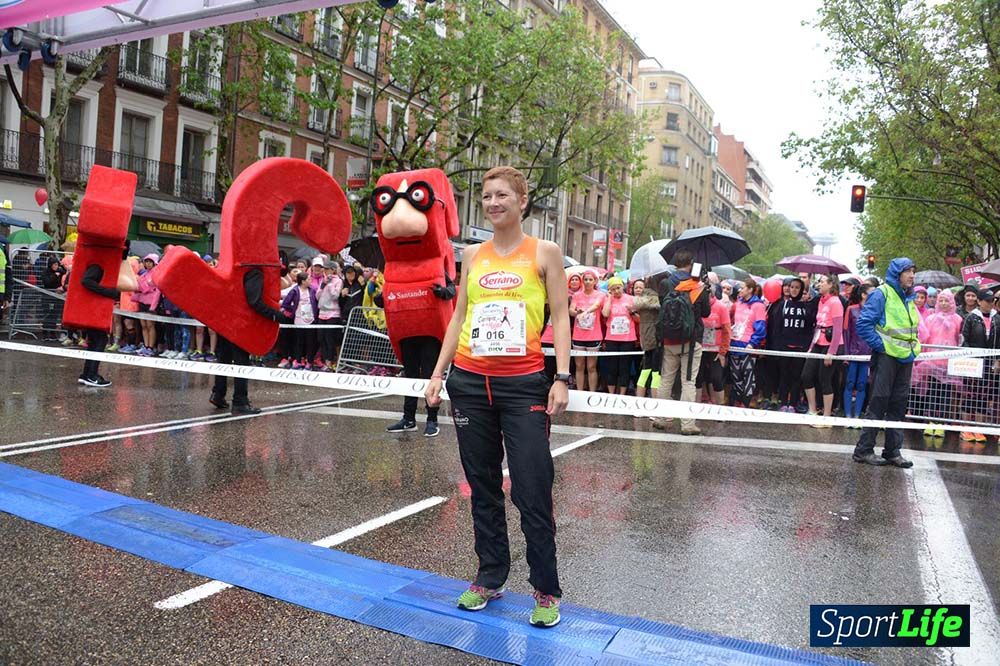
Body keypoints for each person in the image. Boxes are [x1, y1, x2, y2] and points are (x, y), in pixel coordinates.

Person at [425, 166, 570, 628]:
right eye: (487, 196)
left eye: (502, 195)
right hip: (469, 381)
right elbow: (458, 316)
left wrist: (562, 376)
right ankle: (490, 575)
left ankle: (546, 589)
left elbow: (562, 317)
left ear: (522, 201)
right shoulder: (472, 254)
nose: (493, 203)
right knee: (481, 485)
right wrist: (438, 373)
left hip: (523, 383)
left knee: (531, 487)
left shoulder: (545, 252)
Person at [852, 258, 920, 467]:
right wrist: (881, 347)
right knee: (879, 401)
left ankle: (892, 451)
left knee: (899, 403)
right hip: (887, 357)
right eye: (907, 271)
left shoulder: (908, 298)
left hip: (904, 357)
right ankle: (863, 450)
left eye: (912, 271)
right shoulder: (882, 293)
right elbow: (863, 324)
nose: (911, 275)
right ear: (897, 274)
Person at [655, 249, 710, 434]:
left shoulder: (664, 283)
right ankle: (687, 424)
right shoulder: (697, 286)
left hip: (669, 339)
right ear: (691, 263)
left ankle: (661, 418)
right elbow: (706, 313)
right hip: (691, 340)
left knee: (666, 379)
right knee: (688, 382)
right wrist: (704, 288)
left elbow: (663, 306)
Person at [914, 289, 961, 438]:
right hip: (932, 362)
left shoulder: (957, 319)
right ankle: (931, 422)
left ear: (952, 302)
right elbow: (926, 339)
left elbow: (958, 339)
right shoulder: (930, 319)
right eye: (941, 300)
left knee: (945, 393)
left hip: (948, 363)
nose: (943, 303)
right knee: (932, 392)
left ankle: (941, 424)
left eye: (947, 300)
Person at [801, 274, 845, 427]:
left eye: (822, 282)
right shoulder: (820, 301)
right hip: (818, 341)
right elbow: (818, 325)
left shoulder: (836, 302)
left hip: (831, 344)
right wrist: (811, 348)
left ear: (831, 284)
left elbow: (838, 329)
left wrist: (831, 353)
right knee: (806, 375)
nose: (819, 284)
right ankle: (813, 410)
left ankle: (827, 418)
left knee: (825, 379)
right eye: (819, 281)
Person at [958, 288, 999, 442]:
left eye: (992, 301)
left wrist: (997, 360)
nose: (991, 304)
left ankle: (979, 428)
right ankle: (966, 429)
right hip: (973, 362)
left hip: (989, 363)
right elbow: (965, 339)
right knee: (970, 395)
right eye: (988, 301)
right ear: (980, 302)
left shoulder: (997, 319)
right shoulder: (971, 318)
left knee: (984, 395)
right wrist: (970, 356)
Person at [770, 277, 815, 412]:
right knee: (784, 375)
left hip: (800, 347)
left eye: (797, 287)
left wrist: (806, 305)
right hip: (784, 346)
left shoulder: (807, 306)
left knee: (797, 377)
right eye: (792, 287)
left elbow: (810, 326)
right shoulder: (783, 305)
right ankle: (783, 402)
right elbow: (777, 327)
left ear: (801, 290)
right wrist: (777, 347)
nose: (794, 290)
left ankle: (793, 404)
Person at [728, 277, 766, 409]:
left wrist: (753, 343)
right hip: (734, 343)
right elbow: (731, 321)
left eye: (743, 287)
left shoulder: (758, 306)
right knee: (735, 376)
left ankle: (746, 402)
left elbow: (761, 327)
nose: (740, 290)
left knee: (748, 376)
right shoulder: (738, 303)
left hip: (747, 345)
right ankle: (737, 401)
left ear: (750, 290)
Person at [569, 269, 605, 391]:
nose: (588, 282)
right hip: (578, 335)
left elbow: (597, 305)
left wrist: (585, 311)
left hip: (594, 336)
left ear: (595, 281)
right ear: (582, 281)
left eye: (590, 279)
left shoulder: (600, 295)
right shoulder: (576, 295)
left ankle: (592, 392)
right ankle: (579, 391)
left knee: (591, 366)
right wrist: (576, 312)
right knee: (579, 366)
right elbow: (571, 310)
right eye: (586, 279)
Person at [696, 283, 731, 406]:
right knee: (698, 378)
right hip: (699, 348)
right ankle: (695, 410)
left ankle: (720, 407)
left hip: (715, 350)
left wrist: (723, 352)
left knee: (716, 378)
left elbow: (727, 330)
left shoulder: (721, 307)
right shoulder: (697, 305)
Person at [601, 276, 637, 394]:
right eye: (613, 289)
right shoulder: (608, 299)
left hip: (628, 338)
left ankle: (622, 393)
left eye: (619, 288)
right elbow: (605, 314)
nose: (617, 291)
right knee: (612, 367)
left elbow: (639, 320)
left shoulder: (631, 299)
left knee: (624, 367)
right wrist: (610, 299)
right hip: (611, 338)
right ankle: (611, 393)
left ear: (623, 287)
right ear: (610, 290)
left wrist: (632, 312)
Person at [842, 284, 873, 423]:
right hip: (853, 353)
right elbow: (846, 332)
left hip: (867, 355)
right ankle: (848, 415)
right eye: (871, 292)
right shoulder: (851, 309)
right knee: (849, 384)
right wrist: (847, 355)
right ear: (863, 295)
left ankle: (857, 416)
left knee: (862, 385)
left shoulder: (875, 312)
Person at [631, 277, 661, 399]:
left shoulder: (640, 300)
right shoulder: (658, 300)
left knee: (645, 370)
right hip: (656, 338)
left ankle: (639, 399)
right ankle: (655, 401)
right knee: (656, 372)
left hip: (645, 338)